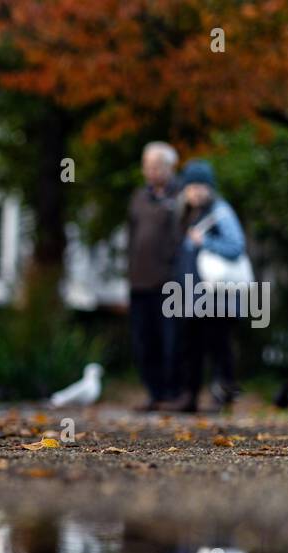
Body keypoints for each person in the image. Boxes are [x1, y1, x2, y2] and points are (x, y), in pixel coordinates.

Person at [161, 159, 247, 413]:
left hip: (217, 297)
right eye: (191, 186)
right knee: (191, 347)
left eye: (201, 186)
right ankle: (189, 398)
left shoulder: (221, 212)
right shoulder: (186, 214)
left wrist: (205, 242)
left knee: (219, 348)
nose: (196, 191)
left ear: (210, 188)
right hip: (191, 296)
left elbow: (236, 246)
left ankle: (222, 398)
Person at [127, 142, 181, 411]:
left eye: (156, 166)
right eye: (147, 166)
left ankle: (173, 394)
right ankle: (154, 392)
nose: (150, 172)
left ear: (170, 168)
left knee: (170, 340)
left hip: (170, 283)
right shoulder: (138, 196)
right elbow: (131, 235)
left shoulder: (182, 195)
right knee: (143, 340)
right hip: (139, 281)